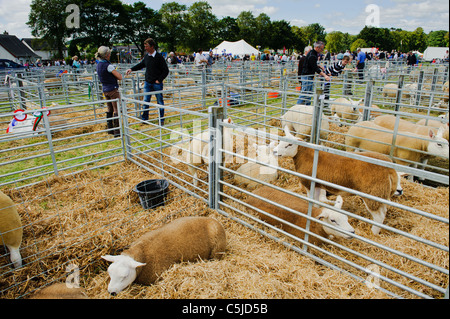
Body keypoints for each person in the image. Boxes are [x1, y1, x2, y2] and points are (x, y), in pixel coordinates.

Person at [126, 38, 169, 125]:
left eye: (146, 46)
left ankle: (161, 119)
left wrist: (159, 80)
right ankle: (144, 119)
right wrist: (131, 69)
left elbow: (166, 70)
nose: (145, 48)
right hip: (148, 83)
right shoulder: (147, 57)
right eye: (145, 46)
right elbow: (141, 65)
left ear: (152, 46)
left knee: (160, 102)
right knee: (145, 101)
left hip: (156, 83)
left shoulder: (159, 57)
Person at [96, 46, 123, 137]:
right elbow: (119, 77)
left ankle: (110, 129)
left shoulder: (99, 64)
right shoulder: (109, 66)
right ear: (107, 55)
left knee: (109, 109)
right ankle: (117, 131)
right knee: (116, 109)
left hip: (105, 89)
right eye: (109, 53)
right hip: (112, 89)